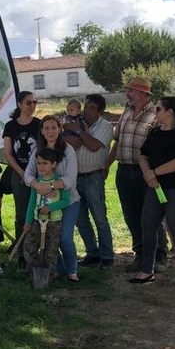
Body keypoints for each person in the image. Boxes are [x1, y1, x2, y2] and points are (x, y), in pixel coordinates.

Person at [131, 97, 175, 285]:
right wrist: (149, 175)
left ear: (170, 111)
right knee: (148, 226)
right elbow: (143, 155)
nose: (155, 112)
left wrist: (154, 173)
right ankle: (147, 270)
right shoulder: (154, 133)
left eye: (158, 109)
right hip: (155, 187)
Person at [105, 77, 167, 268]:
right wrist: (106, 166)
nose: (127, 94)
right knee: (131, 215)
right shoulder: (125, 113)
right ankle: (140, 254)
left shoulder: (156, 115)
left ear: (142, 94)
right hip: (124, 171)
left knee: (152, 216)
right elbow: (117, 142)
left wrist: (155, 173)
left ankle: (159, 255)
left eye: (130, 91)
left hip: (146, 173)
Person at [24, 115, 81, 282]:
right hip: (44, 202)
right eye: (46, 128)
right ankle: (58, 268)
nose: (50, 131)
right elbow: (28, 174)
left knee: (64, 238)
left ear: (60, 129)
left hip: (68, 200)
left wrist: (51, 186)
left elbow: (71, 179)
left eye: (54, 127)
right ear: (41, 131)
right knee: (49, 239)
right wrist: (36, 185)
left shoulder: (68, 150)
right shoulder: (37, 151)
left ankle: (72, 269)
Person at [63, 94, 114, 269]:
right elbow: (68, 143)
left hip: (94, 176)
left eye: (92, 108)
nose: (87, 111)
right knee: (80, 219)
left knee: (100, 218)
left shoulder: (106, 126)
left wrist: (78, 132)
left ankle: (107, 256)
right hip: (75, 177)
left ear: (101, 111)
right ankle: (92, 252)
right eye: (86, 107)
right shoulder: (77, 122)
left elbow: (93, 146)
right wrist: (76, 133)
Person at [2, 91, 40, 265]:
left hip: (39, 175)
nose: (32, 106)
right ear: (19, 104)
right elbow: (8, 153)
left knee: (40, 213)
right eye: (28, 103)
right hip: (18, 174)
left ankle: (38, 250)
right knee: (21, 214)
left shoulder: (39, 124)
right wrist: (21, 172)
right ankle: (22, 254)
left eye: (34, 102)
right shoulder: (10, 126)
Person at [23, 148, 71, 269]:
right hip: (36, 220)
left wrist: (51, 207)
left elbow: (66, 201)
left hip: (53, 222)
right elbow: (32, 202)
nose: (41, 167)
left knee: (51, 249)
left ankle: (49, 274)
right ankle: (34, 271)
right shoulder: (37, 182)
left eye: (45, 163)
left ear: (53, 164)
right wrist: (28, 221)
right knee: (30, 246)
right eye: (39, 163)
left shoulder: (59, 182)